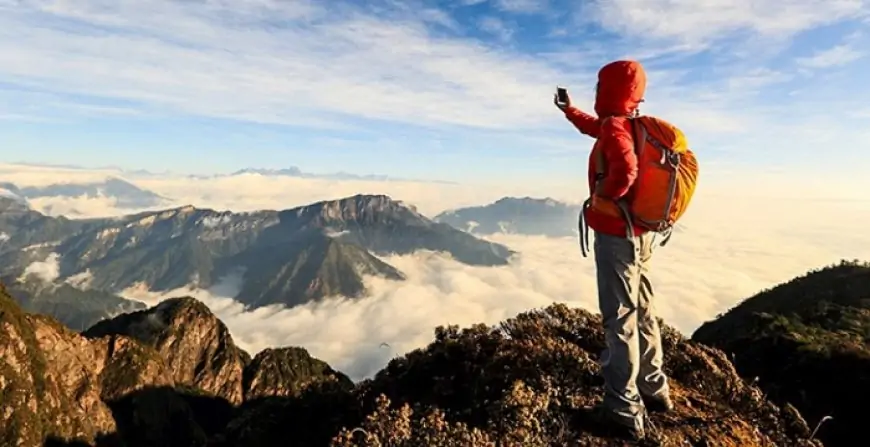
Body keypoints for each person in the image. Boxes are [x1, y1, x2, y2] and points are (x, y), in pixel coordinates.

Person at [553, 60, 673, 441]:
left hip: (617, 236)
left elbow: (625, 169)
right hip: (641, 234)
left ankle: (622, 408)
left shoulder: (617, 128)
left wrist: (605, 195)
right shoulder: (632, 124)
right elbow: (598, 129)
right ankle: (655, 388)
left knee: (619, 316)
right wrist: (569, 111)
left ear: (608, 89)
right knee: (644, 309)